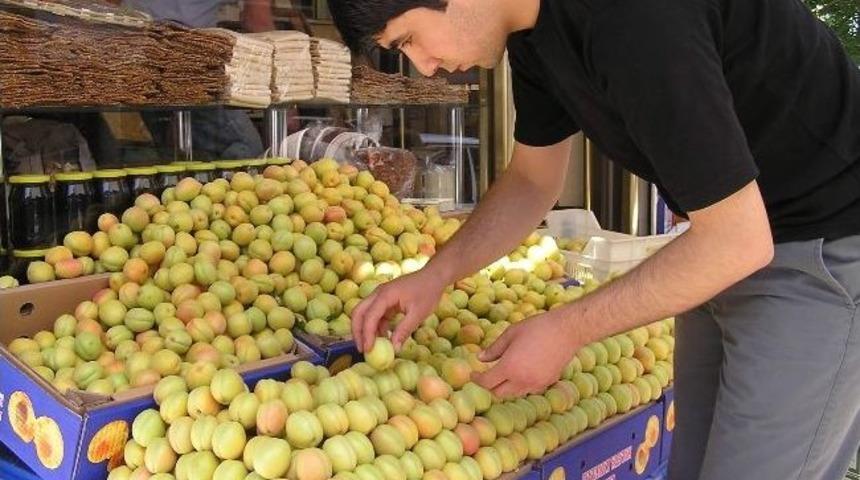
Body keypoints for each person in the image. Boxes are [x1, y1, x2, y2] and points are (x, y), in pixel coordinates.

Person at [327, 0, 860, 479]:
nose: (423, 66)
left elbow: (739, 241)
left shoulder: (634, 18)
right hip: (722, 241)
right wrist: (436, 275)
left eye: (409, 39)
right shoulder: (531, 34)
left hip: (823, 246)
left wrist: (567, 329)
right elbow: (532, 181)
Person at [122, 0, 274, 159]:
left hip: (137, 57)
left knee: (177, 155)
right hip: (188, 59)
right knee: (247, 149)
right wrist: (284, 91)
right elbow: (257, 19)